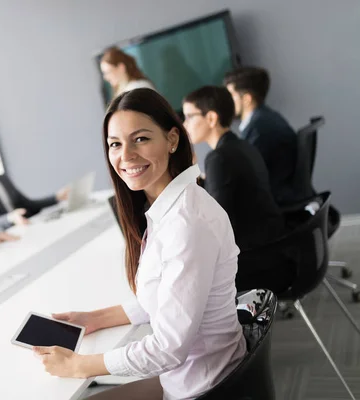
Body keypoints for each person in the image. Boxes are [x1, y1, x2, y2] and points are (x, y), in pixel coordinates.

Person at [33, 88, 246, 400]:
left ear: (173, 140)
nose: (126, 156)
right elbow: (169, 294)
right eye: (115, 144)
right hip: (192, 377)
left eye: (141, 139)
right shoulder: (169, 208)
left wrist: (82, 366)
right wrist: (96, 318)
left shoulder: (187, 223)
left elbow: (168, 349)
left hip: (204, 387)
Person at [182, 85, 284, 251]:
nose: (184, 124)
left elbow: (214, 220)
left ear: (211, 119)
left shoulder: (219, 158)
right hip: (271, 240)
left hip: (253, 254)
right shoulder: (241, 144)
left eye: (189, 117)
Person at [224, 67, 298, 205]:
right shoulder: (265, 119)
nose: (226, 102)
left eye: (230, 95)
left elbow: (248, 174)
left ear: (246, 99)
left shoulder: (260, 130)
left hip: (274, 201)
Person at [0, 138, 69, 227]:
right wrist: (10, 218)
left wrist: (56, 197)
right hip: (7, 238)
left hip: (27, 227)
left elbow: (27, 205)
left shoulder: (2, 179)